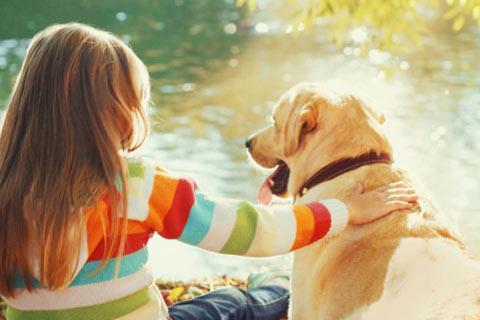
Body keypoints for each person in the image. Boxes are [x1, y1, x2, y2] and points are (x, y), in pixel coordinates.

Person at [0, 23, 418, 320]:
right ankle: (272, 283)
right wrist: (344, 210)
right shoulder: (137, 187)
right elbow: (249, 229)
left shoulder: (6, 187)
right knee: (238, 304)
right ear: (114, 113)